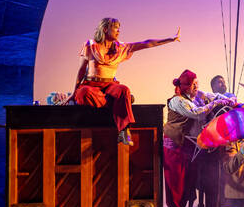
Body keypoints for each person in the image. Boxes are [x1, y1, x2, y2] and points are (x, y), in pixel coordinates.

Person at [72, 17, 179, 145]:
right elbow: (82, 69)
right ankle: (115, 101)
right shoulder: (91, 45)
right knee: (83, 93)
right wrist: (74, 91)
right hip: (91, 85)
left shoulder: (120, 48)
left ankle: (123, 131)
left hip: (109, 85)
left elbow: (146, 43)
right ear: (105, 29)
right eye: (115, 28)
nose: (118, 31)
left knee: (123, 90)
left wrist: (170, 39)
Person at [163, 69, 235, 207]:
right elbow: (196, 113)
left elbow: (215, 96)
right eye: (194, 84)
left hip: (189, 146)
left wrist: (229, 100)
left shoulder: (198, 95)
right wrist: (214, 104)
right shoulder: (177, 101)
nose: (197, 87)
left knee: (189, 182)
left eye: (197, 84)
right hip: (175, 145)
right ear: (186, 86)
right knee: (176, 183)